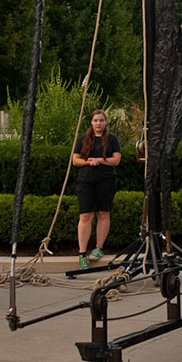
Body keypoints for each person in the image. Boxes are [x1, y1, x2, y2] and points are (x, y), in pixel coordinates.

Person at [72, 110, 122, 270]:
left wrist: (100, 160)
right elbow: (75, 160)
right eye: (95, 120)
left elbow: (116, 160)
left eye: (101, 120)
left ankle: (99, 247)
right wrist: (88, 162)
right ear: (91, 123)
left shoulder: (112, 139)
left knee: (103, 213)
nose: (98, 123)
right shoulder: (83, 139)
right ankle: (82, 253)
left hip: (106, 181)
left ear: (105, 122)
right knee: (85, 215)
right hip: (85, 181)